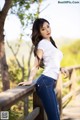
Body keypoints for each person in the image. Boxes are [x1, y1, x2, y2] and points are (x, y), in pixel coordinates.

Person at [18, 18, 69, 120]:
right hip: (45, 82)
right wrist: (30, 80)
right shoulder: (42, 43)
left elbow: (51, 62)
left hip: (49, 82)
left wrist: (61, 68)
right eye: (43, 29)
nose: (47, 30)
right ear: (39, 32)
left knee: (55, 115)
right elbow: (36, 64)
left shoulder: (51, 43)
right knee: (54, 117)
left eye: (48, 26)